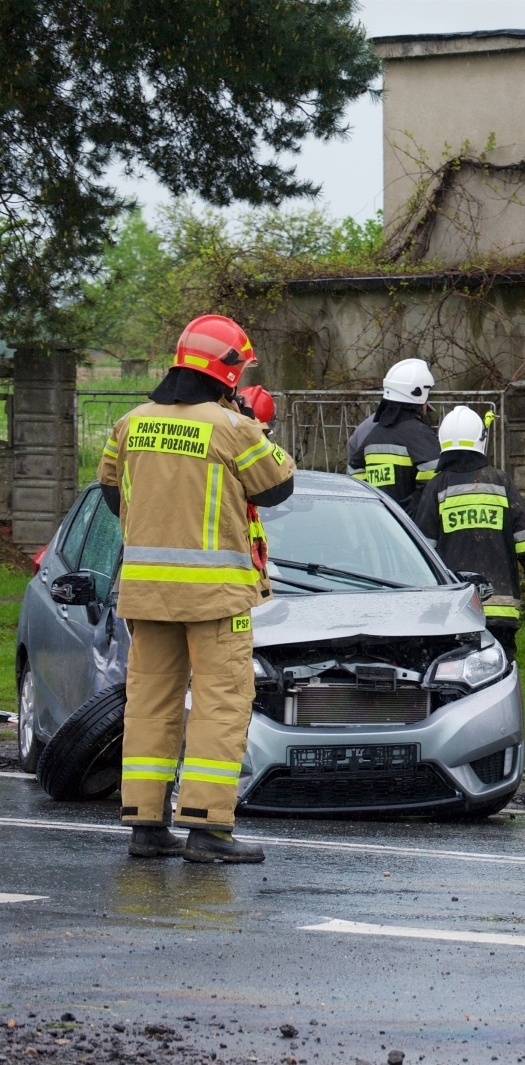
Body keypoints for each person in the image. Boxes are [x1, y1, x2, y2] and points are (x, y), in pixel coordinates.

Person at [96, 314, 296, 862]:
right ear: (228, 372)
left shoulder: (130, 423)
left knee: (150, 705)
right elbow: (279, 487)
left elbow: (112, 496)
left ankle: (145, 825)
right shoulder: (231, 428)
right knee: (220, 706)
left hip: (145, 595)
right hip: (215, 599)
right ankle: (207, 830)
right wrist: (253, 424)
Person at [410, 406, 525, 659]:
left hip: (455, 608)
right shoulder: (500, 482)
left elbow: (423, 550)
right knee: (501, 670)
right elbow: (524, 539)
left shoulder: (436, 487)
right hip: (500, 608)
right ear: (480, 441)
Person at [355, 358, 439, 508]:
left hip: (380, 519)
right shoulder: (419, 434)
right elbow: (437, 476)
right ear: (418, 395)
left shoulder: (374, 434)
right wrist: (412, 507)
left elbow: (354, 472)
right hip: (408, 526)